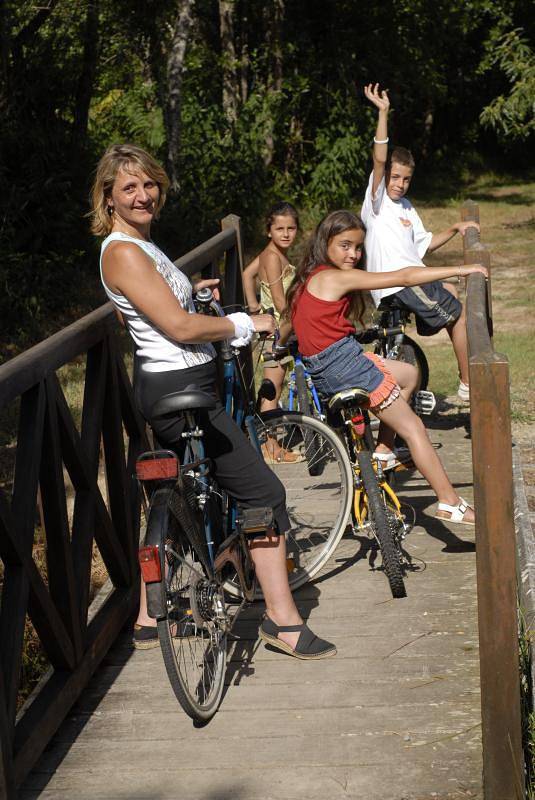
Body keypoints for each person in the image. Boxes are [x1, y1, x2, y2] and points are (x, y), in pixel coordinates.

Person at [90, 143, 335, 660]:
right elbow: (179, 328)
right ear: (108, 197)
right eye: (129, 187)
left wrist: (189, 291)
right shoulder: (123, 251)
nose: (142, 195)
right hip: (182, 395)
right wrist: (244, 322)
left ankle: (148, 617)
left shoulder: (139, 245)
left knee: (182, 493)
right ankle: (284, 622)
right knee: (263, 492)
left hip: (173, 387)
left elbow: (154, 308)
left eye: (149, 184)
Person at [284, 209, 488, 525]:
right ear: (325, 243)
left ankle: (383, 450)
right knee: (415, 429)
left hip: (331, 367)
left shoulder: (307, 278)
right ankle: (449, 502)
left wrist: (278, 340)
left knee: (410, 374)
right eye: (345, 245)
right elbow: (404, 277)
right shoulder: (335, 277)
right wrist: (461, 269)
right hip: (347, 366)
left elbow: (290, 319)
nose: (353, 254)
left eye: (358, 247)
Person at [361, 83, 480, 404]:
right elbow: (380, 158)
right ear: (385, 177)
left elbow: (423, 246)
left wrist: (454, 228)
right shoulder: (376, 201)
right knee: (458, 315)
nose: (400, 184)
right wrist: (383, 113)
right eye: (395, 177)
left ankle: (428, 333)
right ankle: (469, 382)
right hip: (397, 283)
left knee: (451, 291)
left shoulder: (407, 207)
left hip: (413, 278)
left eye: (406, 179)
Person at [242, 202, 301, 463]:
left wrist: (253, 304)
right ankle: (270, 448)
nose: (286, 234)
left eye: (291, 228)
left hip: (278, 327)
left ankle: (270, 442)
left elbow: (247, 274)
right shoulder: (273, 257)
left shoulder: (271, 253)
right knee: (272, 390)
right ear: (269, 230)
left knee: (275, 386)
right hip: (277, 331)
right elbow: (279, 301)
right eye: (279, 229)